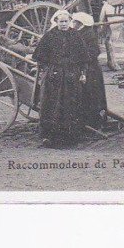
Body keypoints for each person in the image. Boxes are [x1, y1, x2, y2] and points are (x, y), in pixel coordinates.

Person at [32, 9, 89, 146]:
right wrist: (47, 70)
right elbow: (40, 57)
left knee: (71, 104)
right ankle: (50, 137)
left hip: (71, 75)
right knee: (51, 104)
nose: (63, 24)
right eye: (61, 21)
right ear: (56, 22)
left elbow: (83, 57)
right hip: (54, 76)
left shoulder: (76, 36)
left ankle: (70, 137)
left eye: (66, 21)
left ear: (70, 22)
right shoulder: (49, 36)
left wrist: (83, 73)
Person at [71, 11, 108, 131]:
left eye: (75, 22)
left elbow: (94, 52)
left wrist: (78, 58)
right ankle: (86, 121)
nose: (73, 24)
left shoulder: (89, 35)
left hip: (92, 71)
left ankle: (95, 123)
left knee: (93, 96)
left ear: (80, 23)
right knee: (85, 96)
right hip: (85, 69)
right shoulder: (79, 33)